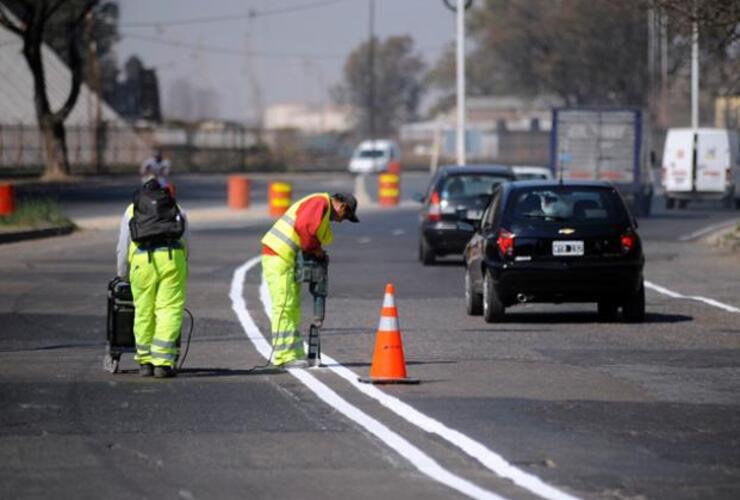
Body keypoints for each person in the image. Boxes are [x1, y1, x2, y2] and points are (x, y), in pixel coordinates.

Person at [261, 192, 359, 368]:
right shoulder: (320, 202)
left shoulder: (321, 208)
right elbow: (304, 227)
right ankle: (283, 356)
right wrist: (316, 250)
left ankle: (296, 353)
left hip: (287, 258)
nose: (341, 221)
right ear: (342, 207)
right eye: (346, 217)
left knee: (293, 307)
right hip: (278, 255)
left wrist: (316, 250)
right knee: (284, 306)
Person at [116, 176, 190, 378]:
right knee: (169, 310)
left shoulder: (131, 210)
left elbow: (123, 247)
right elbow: (185, 242)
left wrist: (122, 273)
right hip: (172, 259)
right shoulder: (176, 208)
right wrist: (182, 264)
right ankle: (162, 363)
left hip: (142, 262)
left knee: (143, 311)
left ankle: (145, 361)